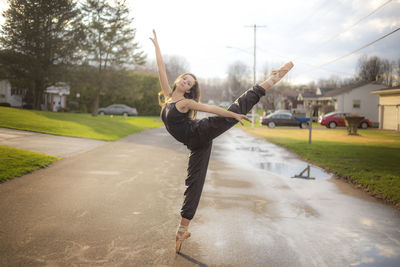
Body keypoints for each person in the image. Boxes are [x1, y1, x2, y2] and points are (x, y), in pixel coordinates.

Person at [150, 29, 293, 253]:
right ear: (179, 80)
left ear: (189, 90)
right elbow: (161, 68)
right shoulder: (169, 96)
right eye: (185, 79)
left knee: (235, 108)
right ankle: (181, 230)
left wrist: (233, 116)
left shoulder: (185, 103)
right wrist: (157, 47)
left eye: (190, 83)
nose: (187, 82)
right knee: (194, 183)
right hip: (196, 143)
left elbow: (209, 109)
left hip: (200, 132)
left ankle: (271, 80)